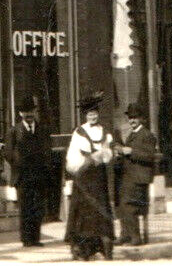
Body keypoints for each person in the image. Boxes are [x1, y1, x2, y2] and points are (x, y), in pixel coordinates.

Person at [64, 92, 116, 260]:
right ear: (85, 115)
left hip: (99, 179)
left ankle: (102, 246)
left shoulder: (104, 131)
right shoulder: (79, 132)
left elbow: (109, 153)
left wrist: (104, 155)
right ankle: (83, 248)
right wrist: (87, 161)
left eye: (95, 113)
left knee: (100, 212)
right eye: (89, 114)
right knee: (85, 213)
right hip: (84, 180)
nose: (93, 116)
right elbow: (73, 158)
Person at [3, 96, 53, 247]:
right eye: (26, 112)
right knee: (25, 208)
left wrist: (44, 164)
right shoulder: (14, 131)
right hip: (23, 176)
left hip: (39, 175)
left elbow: (47, 150)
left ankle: (36, 238)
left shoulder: (42, 130)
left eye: (31, 111)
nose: (29, 115)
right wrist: (18, 161)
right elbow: (7, 153)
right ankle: (26, 239)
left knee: (38, 207)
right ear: (20, 114)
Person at [115, 104, 158, 247]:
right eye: (130, 117)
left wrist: (130, 151)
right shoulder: (132, 134)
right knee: (121, 204)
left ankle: (135, 237)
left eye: (135, 117)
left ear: (141, 119)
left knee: (129, 204)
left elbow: (150, 156)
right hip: (129, 177)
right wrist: (120, 152)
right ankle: (125, 235)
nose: (132, 120)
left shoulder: (147, 135)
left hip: (139, 179)